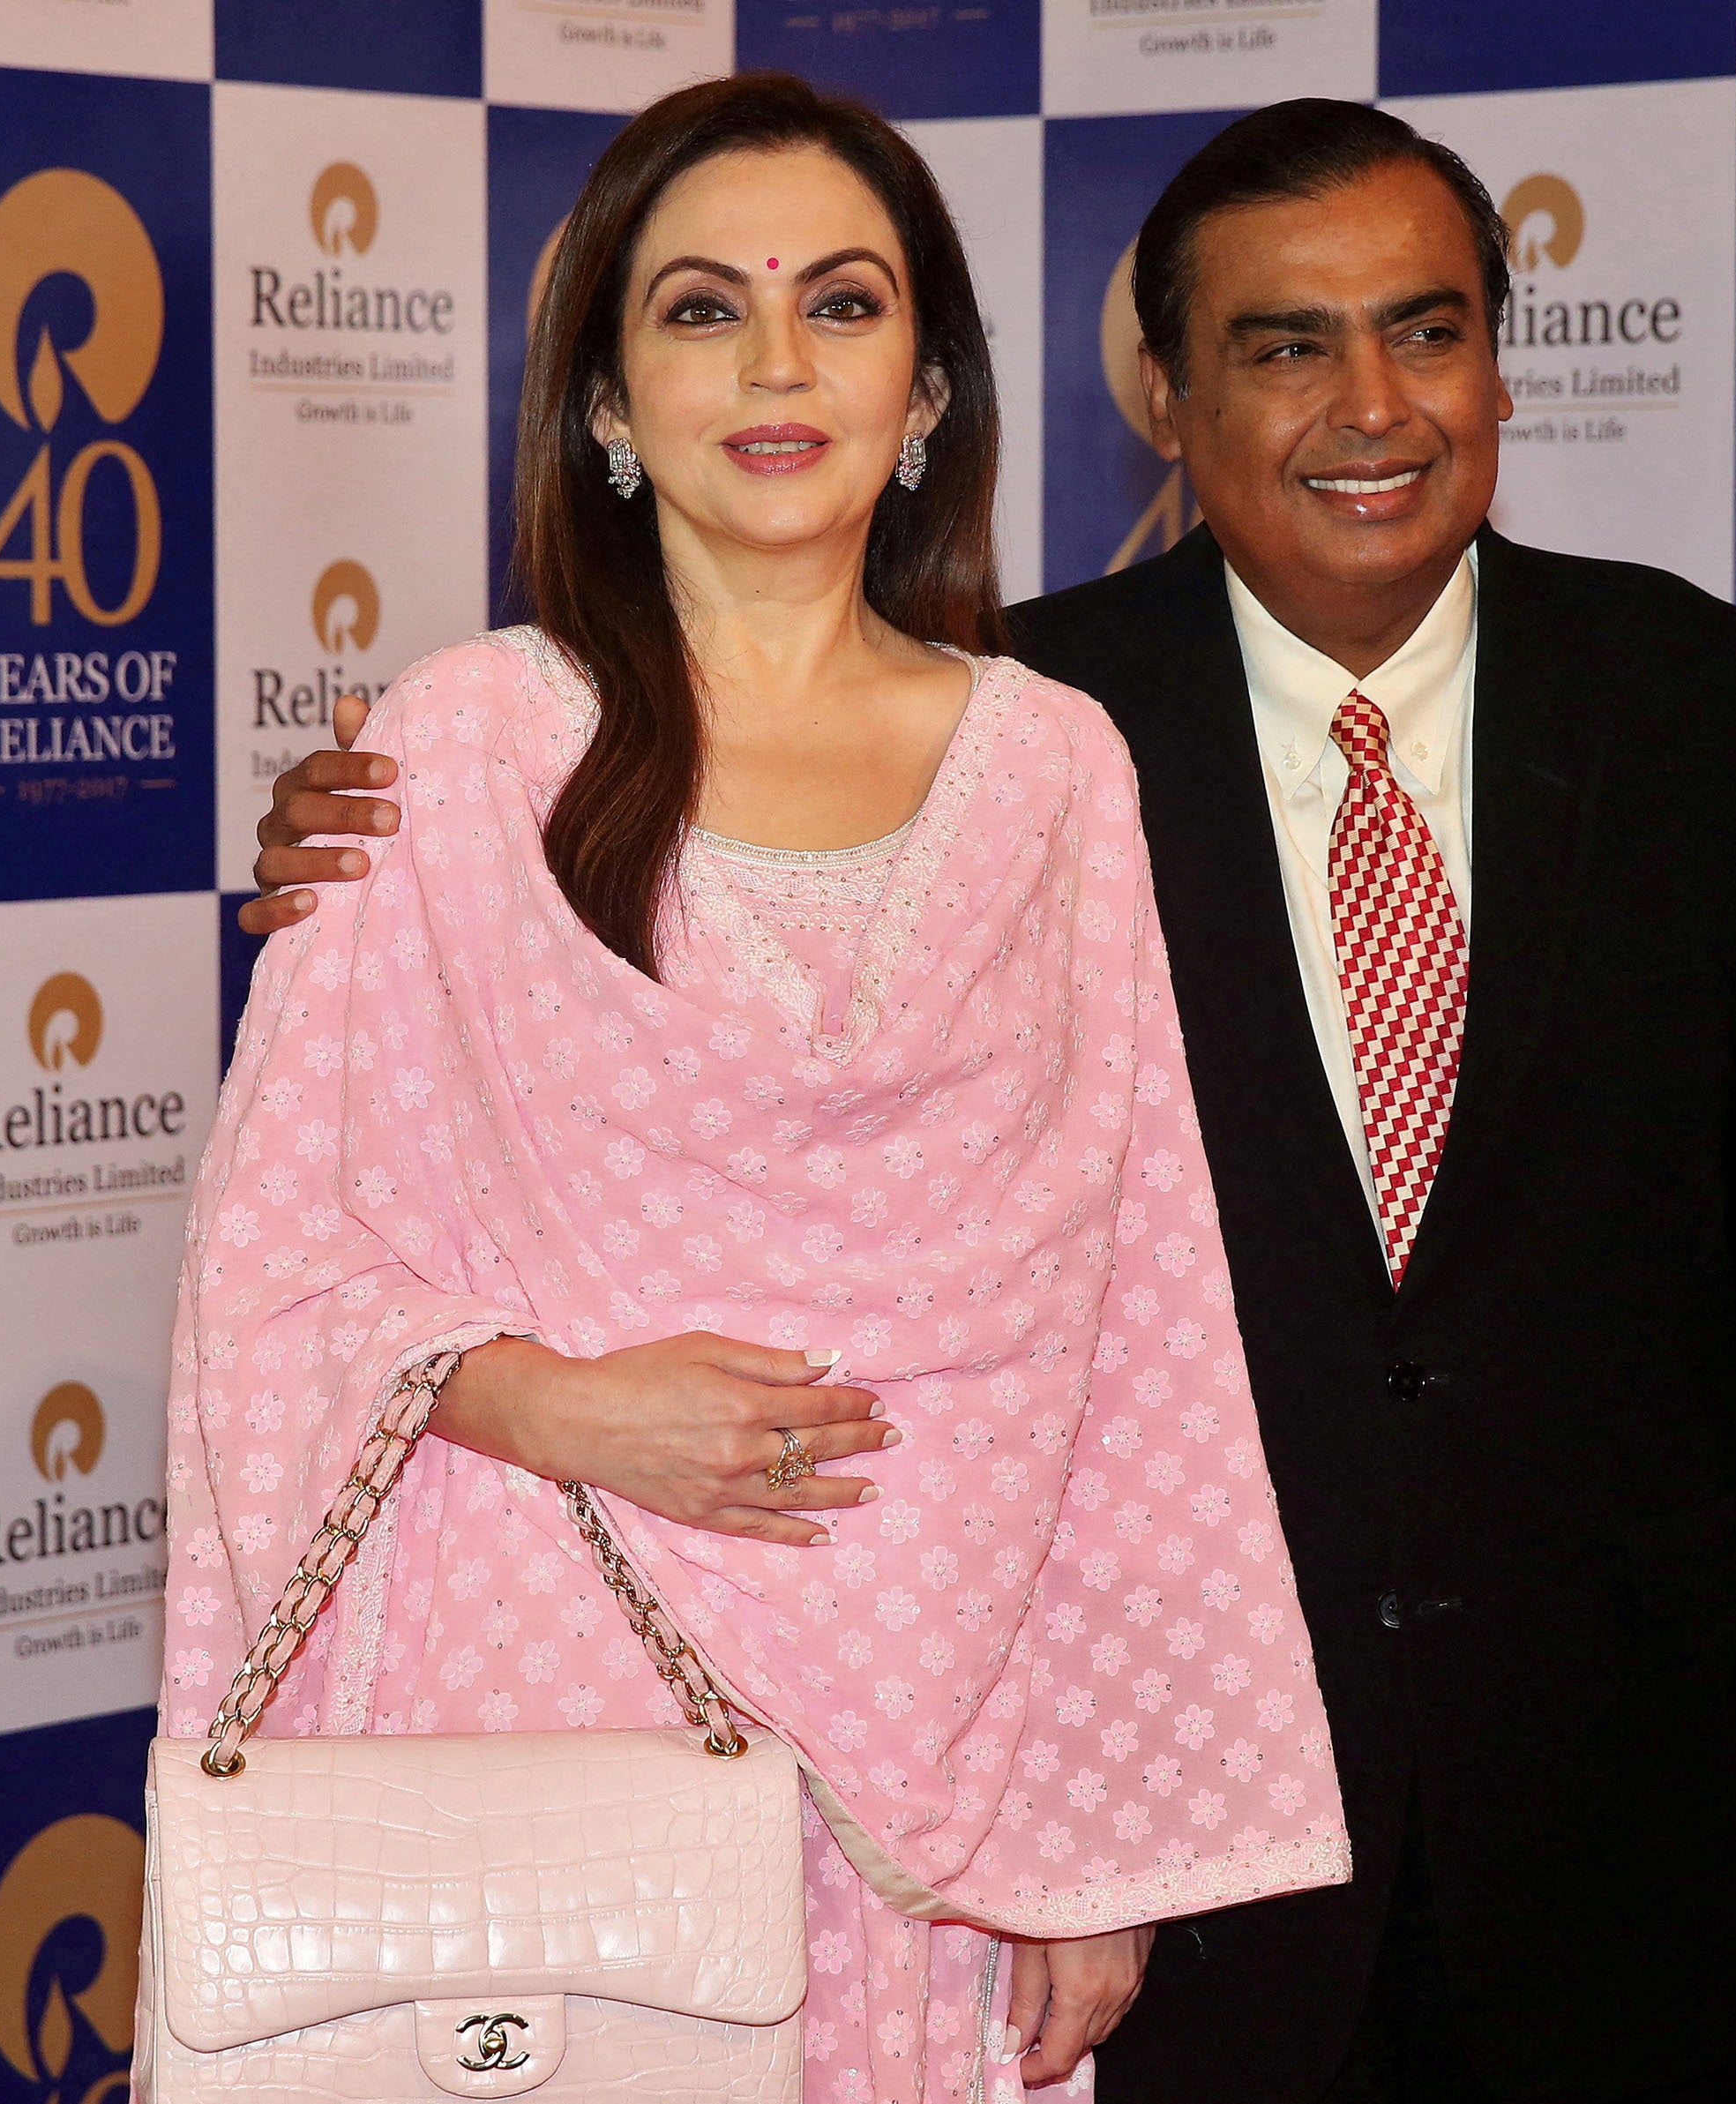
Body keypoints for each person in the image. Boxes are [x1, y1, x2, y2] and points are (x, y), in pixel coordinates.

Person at [246, 97, 1736, 2104]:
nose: (1367, 402)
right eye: (1286, 345)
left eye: (1427, 328)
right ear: (1168, 399)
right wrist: (358, 854)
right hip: (1070, 1788)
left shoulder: (1692, 694)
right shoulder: (1038, 716)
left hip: (1591, 1744)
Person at [166, 73, 1351, 2104]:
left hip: (938, 1778)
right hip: (536, 1706)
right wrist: (560, 1397)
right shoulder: (458, 751)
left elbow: (1132, 1314)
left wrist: (1093, 1844)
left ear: (933, 389)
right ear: (607, 406)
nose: (779, 362)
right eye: (703, 308)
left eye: (844, 302)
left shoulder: (1053, 764)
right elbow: (265, 1271)